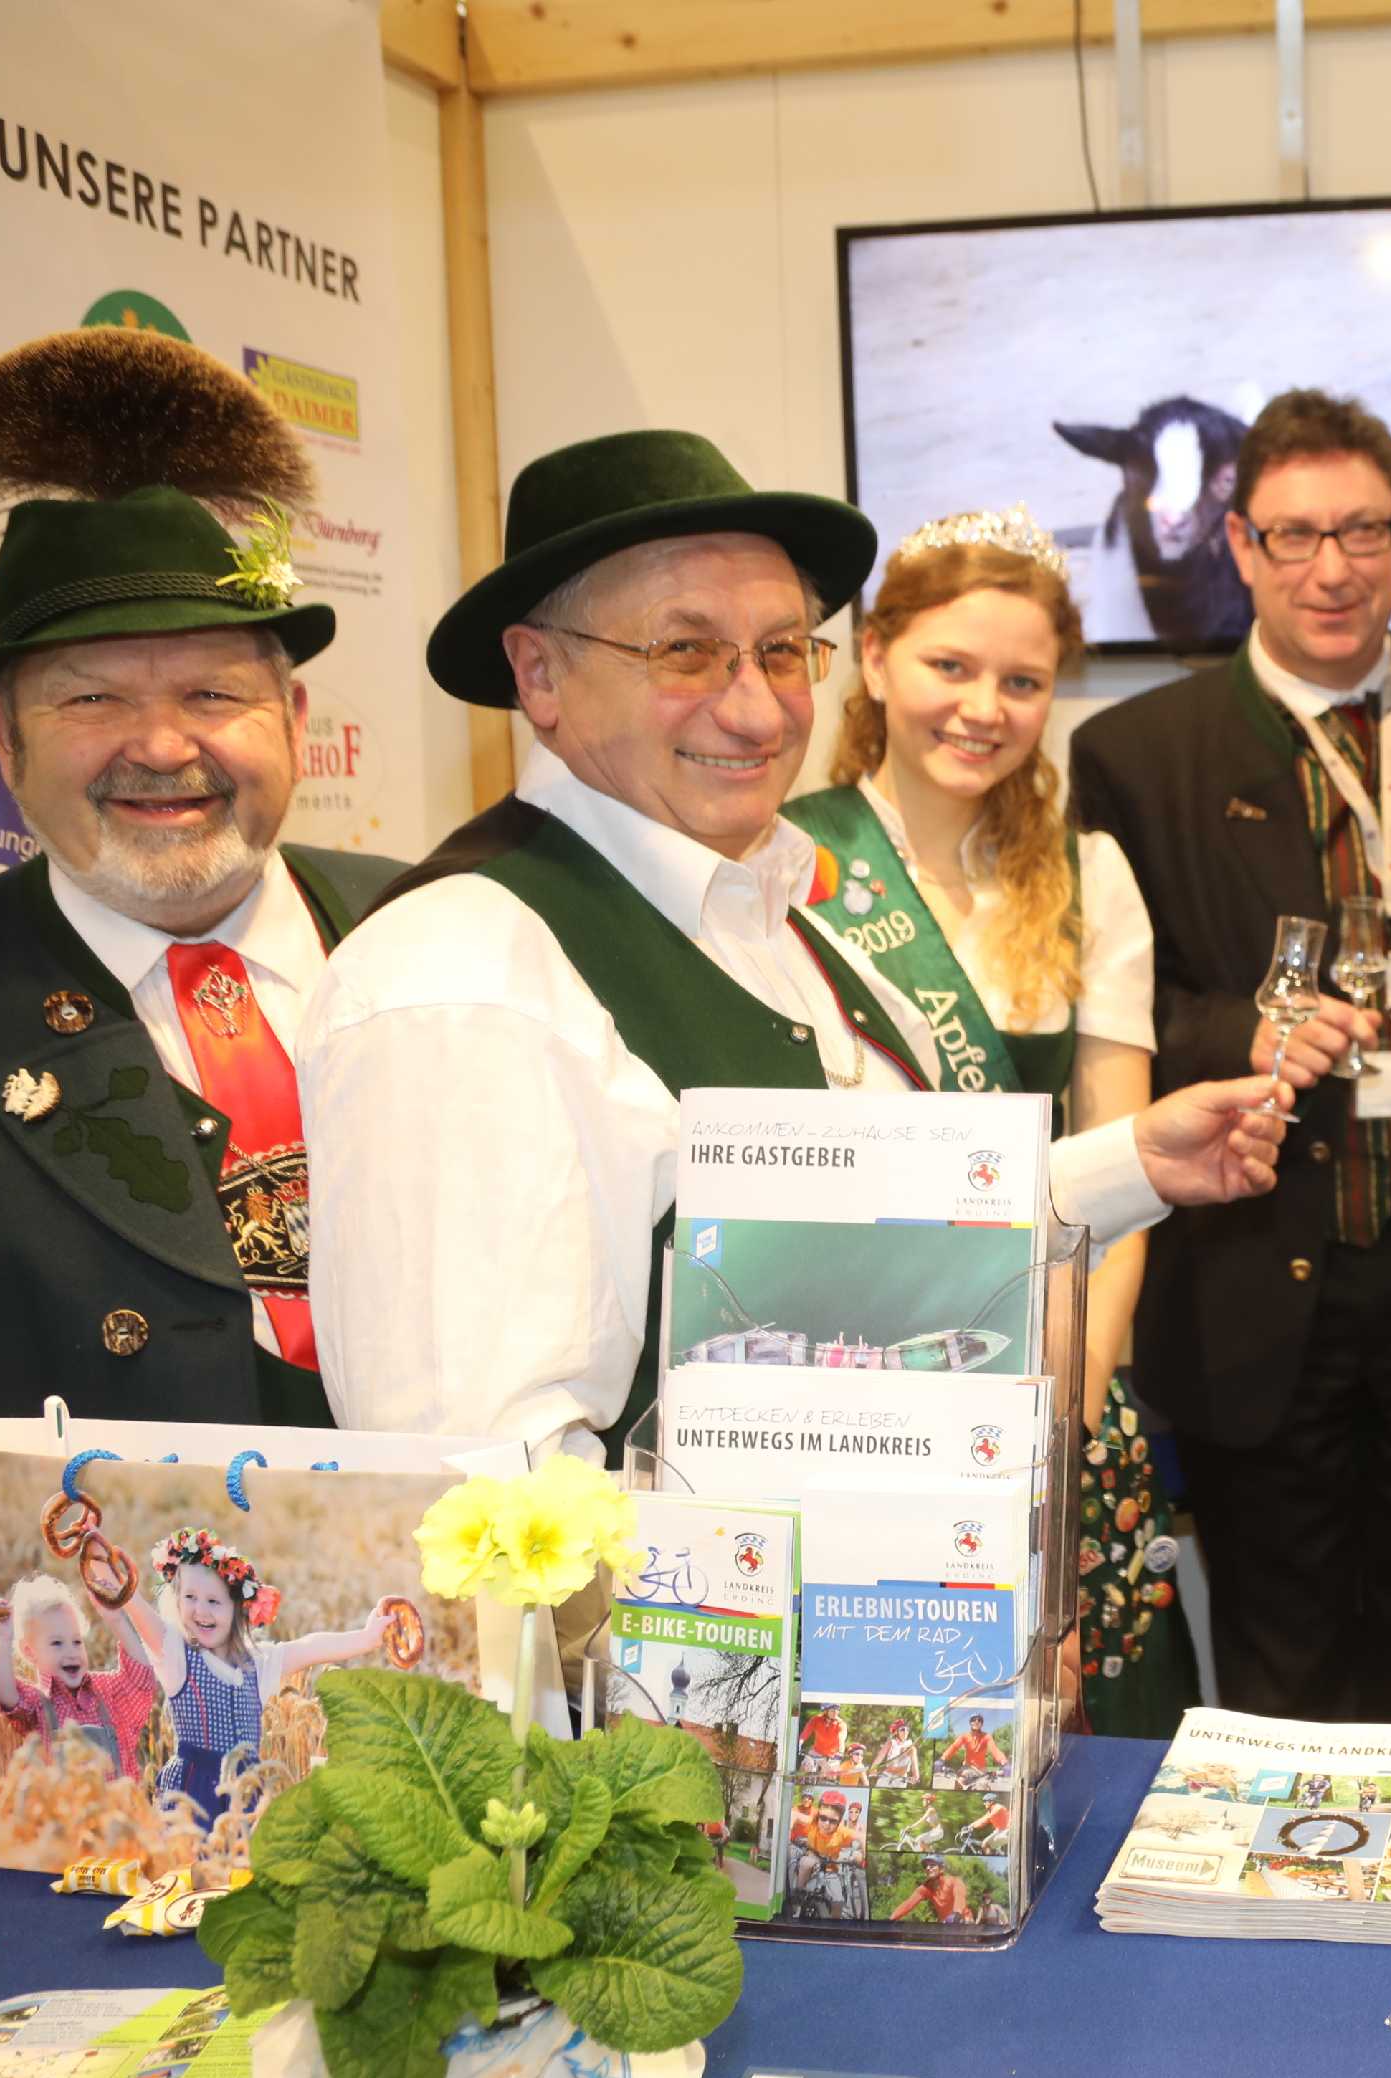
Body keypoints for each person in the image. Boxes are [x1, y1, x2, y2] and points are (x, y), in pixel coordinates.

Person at [297, 431, 1295, 1444]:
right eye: (685, 651)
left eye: (780, 651)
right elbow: (477, 1486)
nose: (755, 712)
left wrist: (1130, 1164)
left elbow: (869, 1234)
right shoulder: (460, 981)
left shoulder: (776, 912)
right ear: (539, 673)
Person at [1071, 389, 1391, 1720]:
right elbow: (1106, 1010)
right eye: (1293, 535)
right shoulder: (1138, 756)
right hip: (1264, 1270)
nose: (1330, 569)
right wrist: (1243, 1032)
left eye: (1360, 531)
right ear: (1240, 546)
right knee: (1283, 1663)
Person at [0, 331, 405, 1457]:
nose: (163, 747)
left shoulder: (438, 929)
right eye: (91, 700)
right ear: (4, 739)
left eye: (213, 693)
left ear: (295, 723)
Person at [777, 508, 1195, 1731]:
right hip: (856, 1374)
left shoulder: (1086, 876)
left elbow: (1126, 1169)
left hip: (1053, 1364)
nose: (982, 708)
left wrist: (1071, 1391)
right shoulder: (783, 863)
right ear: (874, 659)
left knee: (1078, 1729)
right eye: (949, 666)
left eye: (1021, 681)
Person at [140, 1523, 399, 1831]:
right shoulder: (177, 1657)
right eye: (190, 1597)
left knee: (240, 1860)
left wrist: (366, 1638)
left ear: (237, 1610)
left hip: (245, 1796)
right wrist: (108, 1576)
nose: (201, 1610)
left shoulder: (256, 1665)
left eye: (214, 1601)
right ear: (176, 1600)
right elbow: (136, 1611)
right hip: (191, 1796)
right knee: (193, 1861)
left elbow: (308, 1647)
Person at [0, 1573, 161, 1780]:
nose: (71, 1652)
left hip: (117, 1800)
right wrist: (5, 1638)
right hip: (66, 1801)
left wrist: (115, 1618)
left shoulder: (104, 1691)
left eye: (77, 1642)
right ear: (30, 1652)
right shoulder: (39, 1703)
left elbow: (141, 1678)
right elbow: (6, 1695)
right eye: (57, 1643)